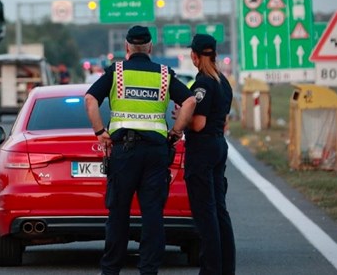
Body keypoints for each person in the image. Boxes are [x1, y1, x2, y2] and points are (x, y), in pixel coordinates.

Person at [85, 25, 196, 275]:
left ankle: (111, 269)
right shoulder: (164, 75)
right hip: (156, 153)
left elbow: (90, 99)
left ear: (126, 47)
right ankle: (148, 270)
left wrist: (100, 132)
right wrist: (176, 132)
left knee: (118, 214)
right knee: (153, 214)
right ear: (150, 47)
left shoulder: (117, 73)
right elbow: (189, 101)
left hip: (124, 152)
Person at [182, 33, 236, 275]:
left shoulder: (203, 83)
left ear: (194, 56)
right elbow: (221, 120)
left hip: (202, 149)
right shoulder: (224, 82)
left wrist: (181, 119)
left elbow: (198, 124)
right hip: (218, 146)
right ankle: (226, 268)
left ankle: (210, 270)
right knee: (219, 211)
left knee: (205, 214)